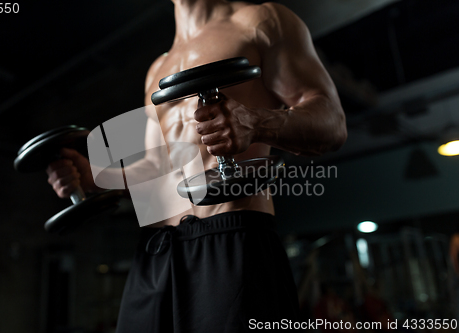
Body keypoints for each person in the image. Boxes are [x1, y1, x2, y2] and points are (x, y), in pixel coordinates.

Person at [47, 0, 347, 331]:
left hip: (231, 239)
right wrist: (96, 178)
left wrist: (256, 123)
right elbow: (157, 165)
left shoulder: (261, 21)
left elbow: (332, 123)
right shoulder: (157, 67)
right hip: (157, 252)